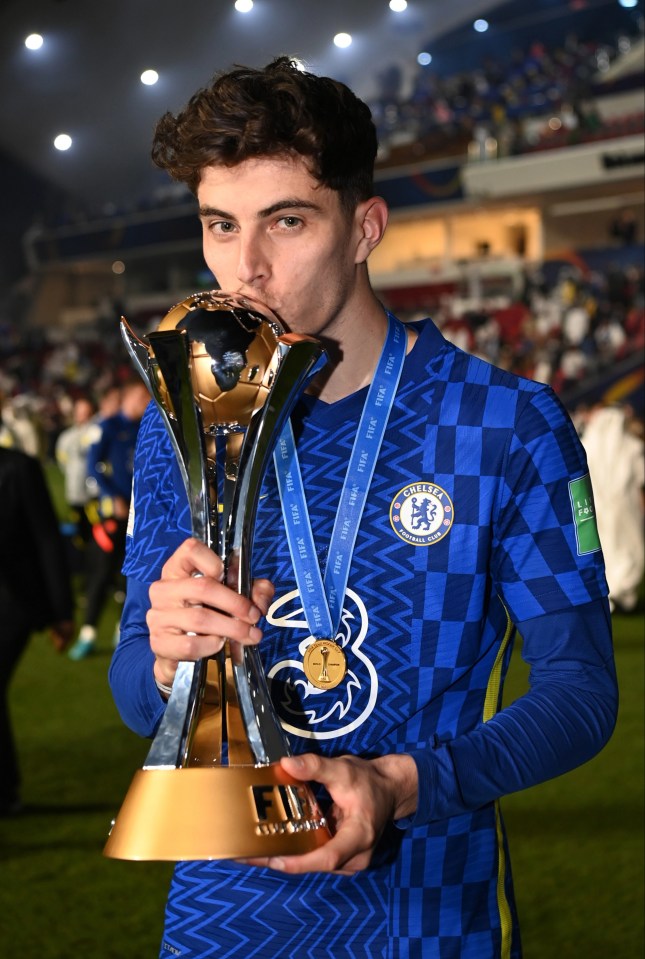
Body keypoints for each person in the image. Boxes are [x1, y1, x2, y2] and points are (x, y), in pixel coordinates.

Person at [108, 58, 618, 958]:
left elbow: (580, 696)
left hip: (423, 913)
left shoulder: (505, 424)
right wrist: (162, 661)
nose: (246, 269)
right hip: (217, 920)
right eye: (219, 226)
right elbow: (130, 693)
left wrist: (399, 780)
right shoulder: (179, 425)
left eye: (287, 222)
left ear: (363, 228)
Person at [0, 445, 74, 815]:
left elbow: (47, 538)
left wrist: (62, 612)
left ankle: (6, 791)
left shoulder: (19, 468)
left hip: (15, 600)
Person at [68, 380, 150, 660]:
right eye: (142, 396)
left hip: (136, 517)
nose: (146, 401)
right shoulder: (107, 426)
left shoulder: (143, 427)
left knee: (129, 576)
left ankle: (122, 631)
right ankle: (88, 632)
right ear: (129, 397)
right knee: (101, 574)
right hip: (110, 518)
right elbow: (93, 466)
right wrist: (111, 496)